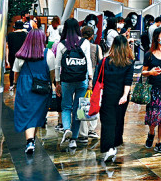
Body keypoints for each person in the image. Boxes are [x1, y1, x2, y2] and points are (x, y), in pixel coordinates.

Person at [12, 29, 56, 154]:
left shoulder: (21, 54)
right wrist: (50, 84)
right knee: (37, 114)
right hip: (41, 87)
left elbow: (16, 72)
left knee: (27, 113)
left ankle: (30, 141)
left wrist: (15, 85)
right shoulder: (48, 54)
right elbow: (52, 73)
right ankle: (30, 140)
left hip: (25, 86)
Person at [94, 35, 134, 163]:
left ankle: (109, 147)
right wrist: (124, 95)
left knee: (107, 121)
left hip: (107, 95)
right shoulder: (129, 62)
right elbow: (128, 81)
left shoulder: (105, 61)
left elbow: (97, 79)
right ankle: (116, 142)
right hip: (122, 96)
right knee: (119, 119)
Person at [56, 17, 94, 149]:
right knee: (78, 110)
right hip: (81, 80)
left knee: (66, 107)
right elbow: (88, 61)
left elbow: (57, 66)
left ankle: (67, 129)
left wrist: (57, 82)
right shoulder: (84, 43)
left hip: (66, 80)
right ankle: (73, 139)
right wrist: (90, 78)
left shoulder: (61, 44)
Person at [78, 26, 103, 142]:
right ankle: (92, 129)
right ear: (92, 36)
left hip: (81, 77)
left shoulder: (77, 45)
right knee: (94, 103)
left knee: (82, 104)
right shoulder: (96, 47)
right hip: (94, 79)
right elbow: (101, 62)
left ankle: (83, 133)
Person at [6, 19, 28, 89]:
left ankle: (11, 85)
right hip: (23, 55)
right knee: (23, 70)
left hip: (12, 55)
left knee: (12, 70)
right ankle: (22, 85)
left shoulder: (10, 35)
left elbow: (7, 47)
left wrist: (6, 59)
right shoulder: (25, 34)